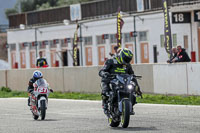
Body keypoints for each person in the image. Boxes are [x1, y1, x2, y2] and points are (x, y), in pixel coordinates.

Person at [98, 48, 142, 115]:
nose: (127, 60)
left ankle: (130, 106)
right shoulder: (111, 61)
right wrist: (104, 74)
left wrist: (138, 89)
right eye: (126, 58)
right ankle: (105, 105)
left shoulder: (128, 65)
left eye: (129, 59)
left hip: (123, 82)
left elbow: (132, 75)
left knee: (132, 90)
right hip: (110, 80)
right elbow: (102, 71)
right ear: (121, 55)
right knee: (105, 90)